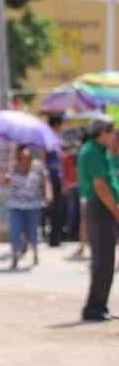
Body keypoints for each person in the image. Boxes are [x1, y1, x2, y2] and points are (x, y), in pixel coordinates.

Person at [77, 118, 119, 321]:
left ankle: (100, 306)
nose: (114, 136)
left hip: (103, 209)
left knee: (106, 260)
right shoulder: (92, 151)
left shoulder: (99, 151)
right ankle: (94, 308)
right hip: (100, 208)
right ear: (101, 132)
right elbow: (100, 186)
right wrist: (116, 210)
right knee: (103, 260)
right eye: (112, 132)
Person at [5, 146, 47, 270]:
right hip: (15, 206)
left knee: (33, 232)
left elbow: (44, 184)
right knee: (15, 231)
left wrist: (47, 197)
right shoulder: (12, 169)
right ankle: (15, 257)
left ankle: (34, 253)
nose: (25, 160)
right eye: (22, 158)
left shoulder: (38, 169)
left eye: (27, 158)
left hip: (33, 206)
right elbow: (4, 181)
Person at [45, 115, 65, 247]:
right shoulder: (46, 140)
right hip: (50, 178)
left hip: (57, 178)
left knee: (58, 209)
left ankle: (56, 238)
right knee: (53, 209)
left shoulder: (56, 140)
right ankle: (53, 239)